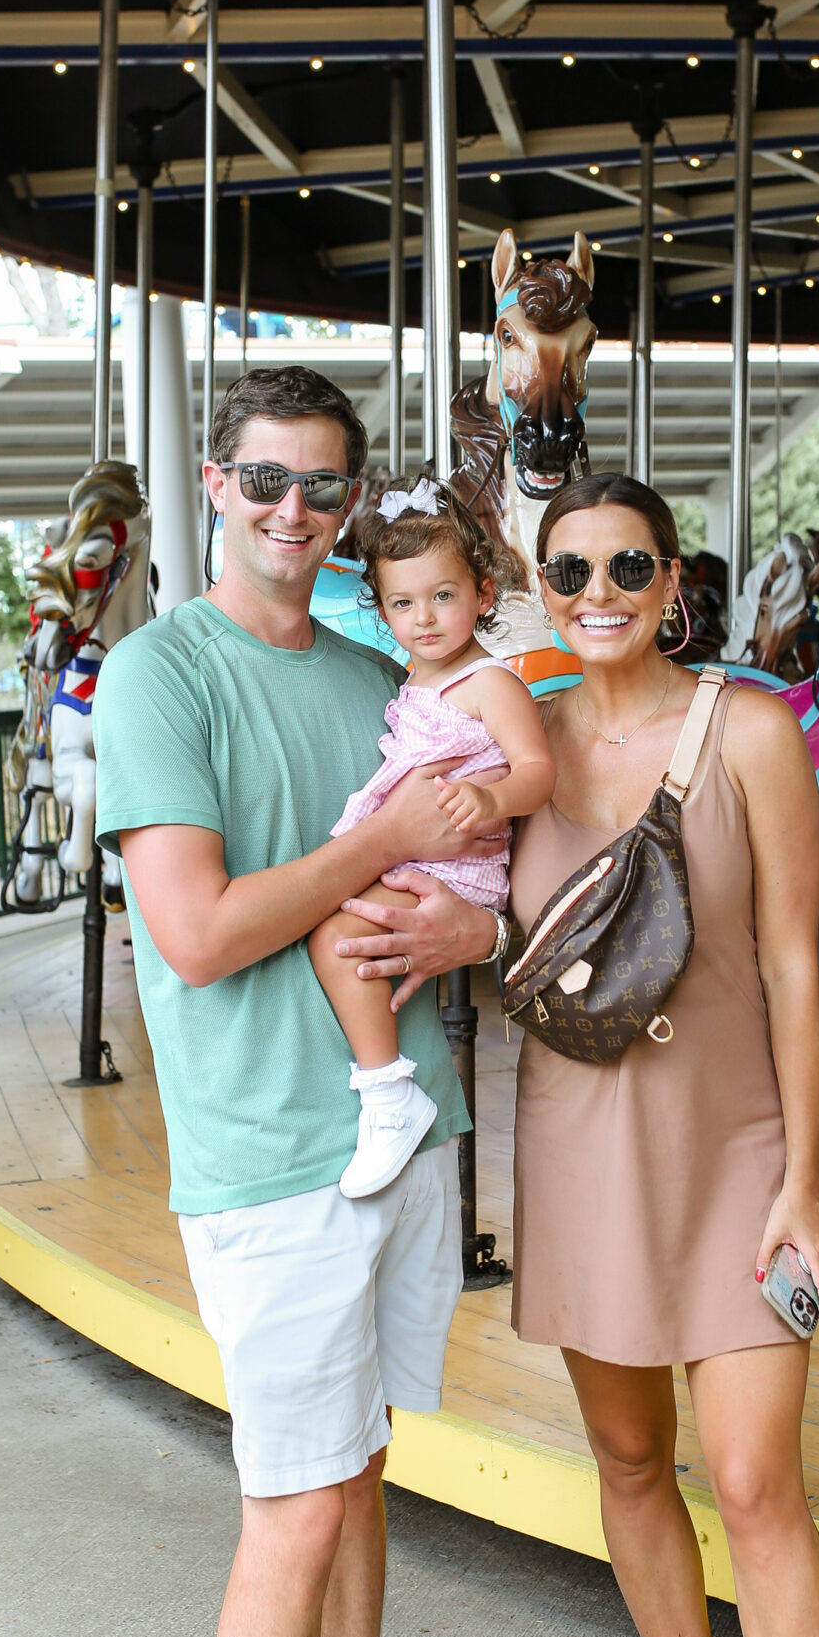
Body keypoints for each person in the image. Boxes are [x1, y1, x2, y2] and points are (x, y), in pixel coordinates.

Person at [92, 364, 504, 1637]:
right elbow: (193, 934)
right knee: (293, 1509)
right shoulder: (161, 672)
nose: (292, 510)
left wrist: (472, 933)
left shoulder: (373, 680)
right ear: (215, 484)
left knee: (359, 1472)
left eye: (323, 486)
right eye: (264, 480)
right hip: (267, 1153)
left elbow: (458, 885)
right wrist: (386, 840)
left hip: (401, 1129)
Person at [506, 474, 819, 1637]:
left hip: (729, 1155)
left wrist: (803, 1187)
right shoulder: (509, 735)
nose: (597, 592)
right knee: (630, 1463)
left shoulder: (748, 727)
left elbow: (788, 966)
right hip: (579, 1141)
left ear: (668, 581)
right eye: (568, 567)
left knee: (756, 1481)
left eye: (625, 566)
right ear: (536, 580)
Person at [311, 479, 553, 1198]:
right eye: (402, 604)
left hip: (458, 855)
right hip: (419, 843)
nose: (422, 619)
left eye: (441, 597)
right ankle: (382, 1085)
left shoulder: (489, 682)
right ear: (381, 611)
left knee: (334, 938)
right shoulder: (417, 676)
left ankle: (388, 1095)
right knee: (328, 931)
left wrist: (490, 797)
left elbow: (539, 771)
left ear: (482, 594)